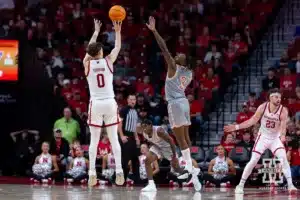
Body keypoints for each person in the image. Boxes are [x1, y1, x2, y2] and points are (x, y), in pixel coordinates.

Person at [146, 16, 199, 190]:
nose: (176, 55)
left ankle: (189, 169)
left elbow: (164, 48)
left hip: (175, 103)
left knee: (180, 139)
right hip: (184, 102)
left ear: (181, 62)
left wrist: (154, 31)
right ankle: (194, 174)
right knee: (187, 138)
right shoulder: (189, 72)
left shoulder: (173, 68)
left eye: (179, 56)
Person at [224, 88, 297, 194]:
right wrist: (236, 127)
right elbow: (252, 121)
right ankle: (240, 185)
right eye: (276, 97)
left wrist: (282, 136)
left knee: (283, 158)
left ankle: (291, 186)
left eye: (280, 97)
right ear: (270, 97)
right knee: (253, 160)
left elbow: (283, 127)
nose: (279, 99)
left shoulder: (283, 110)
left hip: (275, 138)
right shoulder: (263, 107)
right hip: (262, 137)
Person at [82, 19, 124, 187]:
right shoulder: (107, 61)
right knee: (114, 139)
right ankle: (120, 171)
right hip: (109, 102)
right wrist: (118, 31)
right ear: (99, 51)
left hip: (96, 104)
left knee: (94, 139)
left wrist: (95, 31)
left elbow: (88, 51)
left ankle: (92, 172)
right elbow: (117, 47)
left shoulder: (86, 64)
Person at [140, 119, 201, 192]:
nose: (144, 129)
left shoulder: (159, 131)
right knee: (147, 160)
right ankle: (151, 185)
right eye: (142, 127)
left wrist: (174, 156)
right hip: (157, 146)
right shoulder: (144, 133)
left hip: (168, 147)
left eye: (145, 126)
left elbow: (171, 141)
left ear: (150, 125)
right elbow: (152, 141)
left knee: (177, 169)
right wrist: (156, 153)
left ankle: (193, 175)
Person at [118, 94, 140, 182]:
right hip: (125, 136)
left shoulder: (135, 111)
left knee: (135, 159)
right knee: (125, 160)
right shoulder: (123, 110)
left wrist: (137, 138)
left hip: (132, 137)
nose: (132, 101)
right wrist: (122, 136)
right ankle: (121, 178)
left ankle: (136, 179)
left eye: (134, 99)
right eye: (131, 99)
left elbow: (134, 126)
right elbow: (119, 124)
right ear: (127, 100)